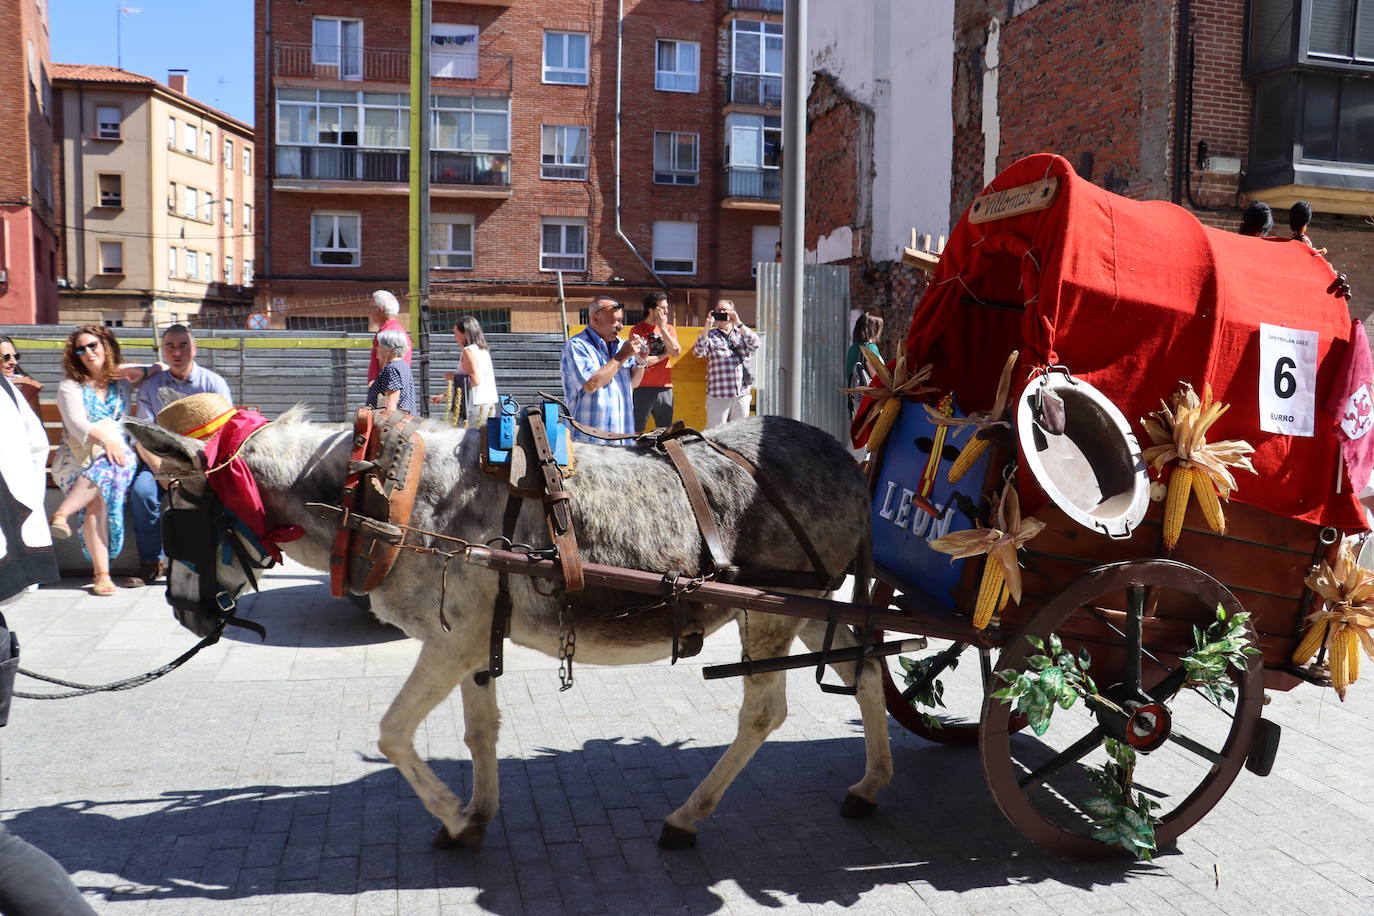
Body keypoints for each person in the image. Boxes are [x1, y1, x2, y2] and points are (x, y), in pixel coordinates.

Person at [126, 325, 232, 586]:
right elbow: (142, 434)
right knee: (142, 494)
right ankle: (151, 562)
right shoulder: (151, 387)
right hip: (160, 463)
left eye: (183, 345)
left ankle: (210, 560)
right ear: (163, 351)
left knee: (218, 497)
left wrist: (200, 470)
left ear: (194, 349)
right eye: (170, 346)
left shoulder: (212, 383)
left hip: (203, 463)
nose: (177, 351)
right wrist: (160, 471)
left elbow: (225, 431)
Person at [47, 326, 137, 597]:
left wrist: (145, 371)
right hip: (76, 458)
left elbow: (156, 368)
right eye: (81, 349)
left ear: (106, 345)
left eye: (93, 345)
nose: (88, 352)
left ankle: (62, 513)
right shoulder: (70, 387)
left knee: (111, 467)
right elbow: (77, 425)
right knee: (97, 495)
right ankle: (102, 575)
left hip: (118, 455)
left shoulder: (121, 383)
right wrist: (106, 441)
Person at [561, 296, 645, 444]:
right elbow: (590, 384)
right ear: (595, 319)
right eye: (616, 320)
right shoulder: (576, 346)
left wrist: (641, 360)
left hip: (622, 441)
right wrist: (621, 356)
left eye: (622, 320)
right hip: (589, 445)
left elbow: (634, 383)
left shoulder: (621, 346)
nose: (621, 326)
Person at [692, 299, 759, 428]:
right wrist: (706, 327)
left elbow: (756, 343)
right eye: (718, 310)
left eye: (725, 310)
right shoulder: (710, 335)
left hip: (741, 393)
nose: (721, 312)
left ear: (732, 312)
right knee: (715, 433)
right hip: (719, 393)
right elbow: (698, 352)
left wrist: (738, 323)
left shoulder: (742, 333)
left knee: (741, 432)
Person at [430, 316, 498, 427]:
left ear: (465, 334)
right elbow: (466, 385)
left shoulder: (468, 351)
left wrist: (452, 377)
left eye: (456, 333)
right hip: (488, 406)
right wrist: (444, 395)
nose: (454, 337)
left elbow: (475, 381)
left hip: (474, 407)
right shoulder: (483, 351)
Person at [629, 291, 682, 432]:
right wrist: (665, 354)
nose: (666, 311)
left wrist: (663, 327)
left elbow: (676, 351)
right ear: (651, 309)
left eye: (666, 307)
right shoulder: (637, 330)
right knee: (637, 428)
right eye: (662, 308)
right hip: (642, 386)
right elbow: (642, 361)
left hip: (664, 386)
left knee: (665, 430)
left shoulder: (668, 328)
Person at [367, 329, 418, 413]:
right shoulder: (401, 365)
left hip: (395, 423)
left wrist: (387, 425)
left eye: (379, 345)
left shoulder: (392, 368)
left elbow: (392, 402)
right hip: (403, 421)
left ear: (388, 349)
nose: (376, 348)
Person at [367, 290, 412, 385]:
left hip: (388, 393)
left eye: (370, 308)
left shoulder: (388, 336)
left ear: (379, 310)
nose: (369, 313)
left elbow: (390, 370)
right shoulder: (394, 332)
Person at [845, 312, 884, 416]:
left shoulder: (852, 349)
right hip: (871, 406)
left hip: (856, 405)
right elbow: (877, 376)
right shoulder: (870, 347)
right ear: (873, 330)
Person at [0, 336, 43, 417]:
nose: (14, 362)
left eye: (15, 357)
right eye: (7, 357)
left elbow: (36, 425)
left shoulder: (25, 387)